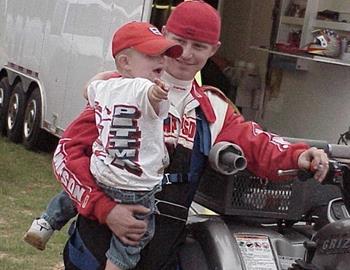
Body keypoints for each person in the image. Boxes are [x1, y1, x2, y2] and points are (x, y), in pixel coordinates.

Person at [50, 1, 329, 270]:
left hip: (162, 250)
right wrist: (106, 210)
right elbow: (66, 155)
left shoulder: (214, 109)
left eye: (198, 46)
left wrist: (299, 155)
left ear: (213, 50)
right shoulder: (122, 90)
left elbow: (258, 144)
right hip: (98, 242)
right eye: (179, 41)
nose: (185, 53)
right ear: (164, 36)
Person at [24, 21, 183, 270]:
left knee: (71, 198)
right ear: (124, 62)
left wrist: (97, 80)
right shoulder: (146, 88)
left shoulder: (107, 87)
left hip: (103, 172)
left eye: (163, 54)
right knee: (133, 237)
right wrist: (156, 93)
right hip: (136, 189)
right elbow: (150, 96)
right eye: (152, 55)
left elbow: (88, 90)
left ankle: (46, 222)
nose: (161, 60)